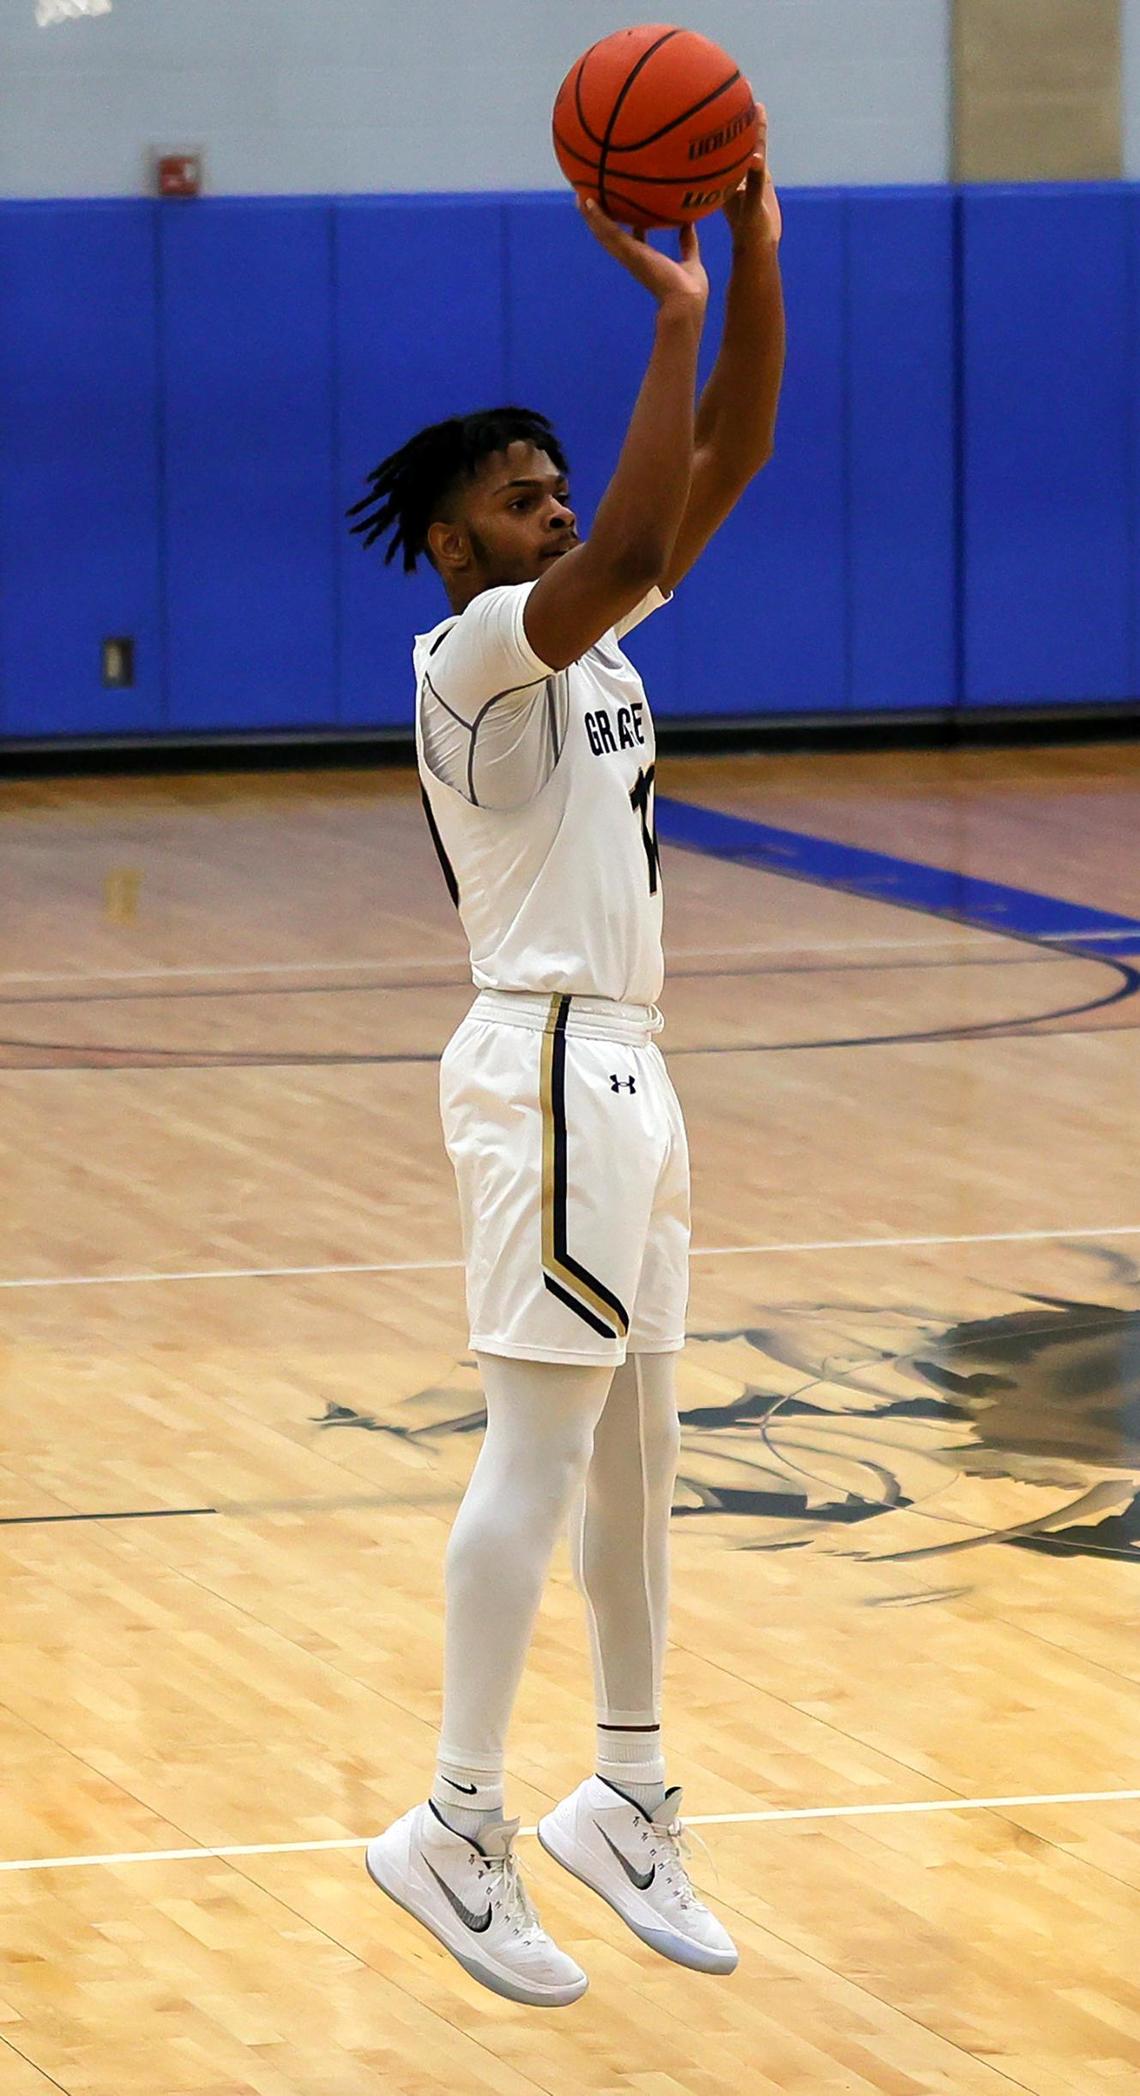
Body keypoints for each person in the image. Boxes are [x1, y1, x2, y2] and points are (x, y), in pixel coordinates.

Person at [347, 129, 785, 2009]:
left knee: (643, 1460)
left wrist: (755, 248)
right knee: (539, 1454)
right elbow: (623, 540)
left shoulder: (589, 625)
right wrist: (670, 307)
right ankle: (451, 1823)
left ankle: (622, 1794)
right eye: (519, 497)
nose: (555, 510)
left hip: (632, 1068)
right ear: (458, 544)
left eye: (552, 490)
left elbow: (730, 459)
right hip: (540, 1058)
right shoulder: (473, 653)